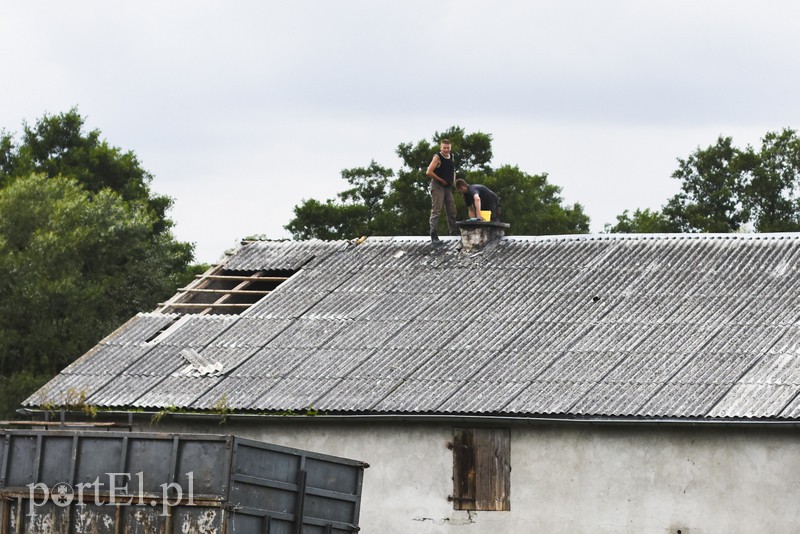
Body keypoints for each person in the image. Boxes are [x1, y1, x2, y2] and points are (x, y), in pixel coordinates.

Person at [425, 139, 458, 243]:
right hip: (438, 185)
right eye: (444, 148)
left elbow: (452, 170)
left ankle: (454, 233)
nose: (446, 150)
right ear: (441, 148)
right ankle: (433, 234)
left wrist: (453, 182)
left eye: (448, 148)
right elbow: (429, 172)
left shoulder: (451, 156)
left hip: (448, 186)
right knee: (437, 210)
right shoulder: (437, 157)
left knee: (452, 210)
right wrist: (440, 180)